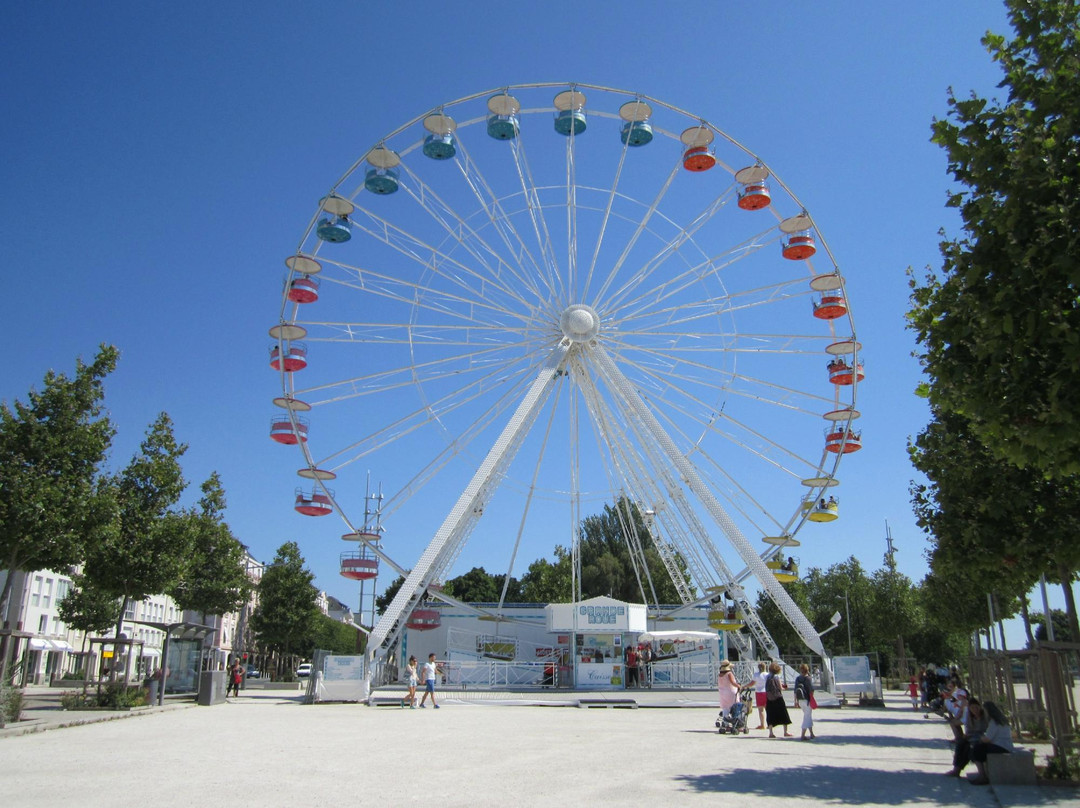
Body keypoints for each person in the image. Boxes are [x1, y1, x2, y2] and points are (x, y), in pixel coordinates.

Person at [968, 701, 1015, 785]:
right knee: (978, 748)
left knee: (975, 749)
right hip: (1006, 746)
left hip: (1000, 746)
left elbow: (987, 739)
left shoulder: (994, 722)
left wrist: (980, 738)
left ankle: (982, 776)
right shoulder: (1002, 720)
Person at [945, 698, 987, 777]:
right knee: (960, 744)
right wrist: (966, 736)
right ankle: (956, 769)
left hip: (981, 738)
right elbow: (969, 730)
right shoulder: (970, 717)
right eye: (972, 708)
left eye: (976, 707)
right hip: (971, 737)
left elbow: (985, 731)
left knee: (968, 748)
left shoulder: (984, 717)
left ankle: (958, 770)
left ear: (980, 707)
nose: (975, 710)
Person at [764, 661, 792, 738]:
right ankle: (785, 732)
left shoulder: (767, 677)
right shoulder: (776, 677)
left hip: (769, 698)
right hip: (778, 697)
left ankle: (771, 733)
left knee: (770, 715)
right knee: (784, 714)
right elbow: (780, 688)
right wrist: (784, 687)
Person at [793, 663, 815, 740]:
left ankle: (811, 733)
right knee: (807, 716)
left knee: (808, 716)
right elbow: (811, 690)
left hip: (800, 699)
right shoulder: (808, 679)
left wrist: (795, 701)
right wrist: (812, 699)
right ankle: (802, 735)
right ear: (807, 670)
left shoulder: (797, 679)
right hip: (807, 700)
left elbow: (795, 691)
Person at [752, 661, 769, 729]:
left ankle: (762, 724)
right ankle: (770, 724)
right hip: (766, 692)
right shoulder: (767, 675)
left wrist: (745, 686)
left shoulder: (756, 674)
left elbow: (752, 683)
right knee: (768, 709)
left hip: (759, 692)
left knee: (761, 710)